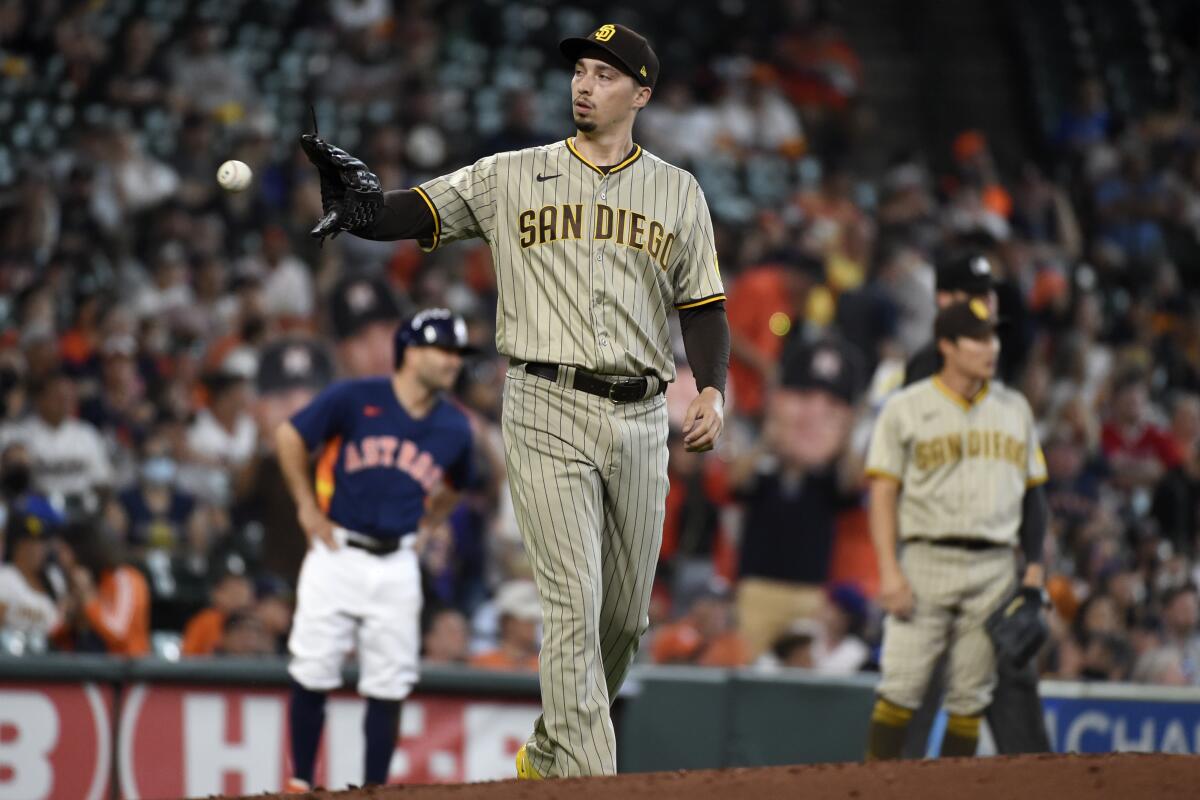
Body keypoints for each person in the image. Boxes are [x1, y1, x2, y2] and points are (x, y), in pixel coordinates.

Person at [299, 23, 730, 778]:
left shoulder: (677, 191)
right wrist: (367, 210)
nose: (584, 84)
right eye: (580, 72)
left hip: (637, 416)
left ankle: (548, 756)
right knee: (570, 606)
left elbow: (704, 305)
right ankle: (590, 781)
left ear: (641, 93)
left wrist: (714, 388)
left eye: (604, 73)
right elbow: (422, 211)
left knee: (622, 622)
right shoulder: (513, 174)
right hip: (544, 401)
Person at [276, 309, 475, 791]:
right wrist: (306, 505)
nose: (453, 362)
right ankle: (300, 781)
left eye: (457, 353)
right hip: (336, 550)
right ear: (409, 350)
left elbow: (457, 485)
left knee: (388, 684)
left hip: (398, 562)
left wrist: (429, 523)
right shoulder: (355, 396)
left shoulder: (455, 426)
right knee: (312, 669)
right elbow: (289, 435)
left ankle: (373, 789)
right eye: (442, 350)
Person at [863, 300, 1049, 760]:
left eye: (993, 336)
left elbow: (1034, 496)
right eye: (979, 338)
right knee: (899, 689)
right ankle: (871, 790)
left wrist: (1035, 569)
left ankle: (953, 790)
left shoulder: (1015, 408)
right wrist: (888, 569)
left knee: (971, 696)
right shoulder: (906, 408)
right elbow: (883, 494)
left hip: (995, 565)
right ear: (947, 345)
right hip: (927, 560)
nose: (992, 347)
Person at [469, 580, 541, 672]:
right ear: (508, 623)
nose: (533, 625)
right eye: (528, 619)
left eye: (534, 620)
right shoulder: (482, 664)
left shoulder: (543, 666)